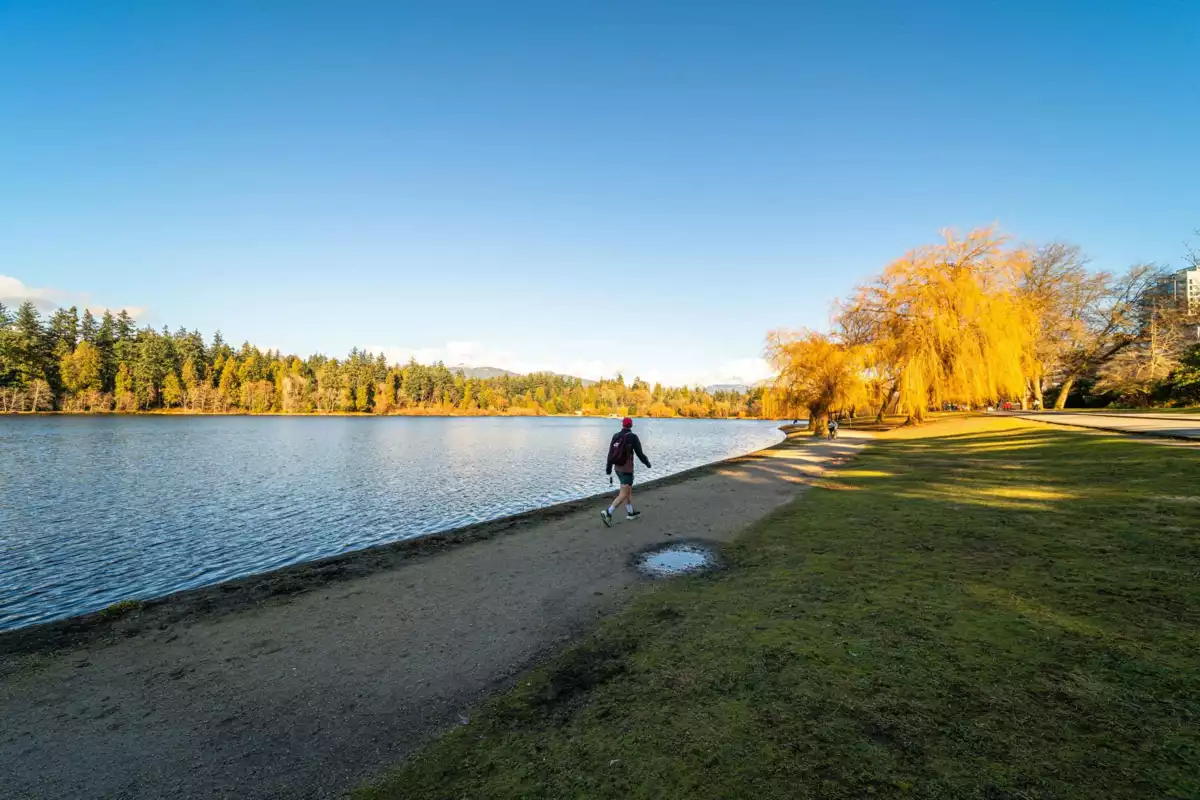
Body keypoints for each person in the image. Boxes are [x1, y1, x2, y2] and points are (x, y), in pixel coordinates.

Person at [601, 417, 651, 526]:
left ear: (622, 425)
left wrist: (608, 469)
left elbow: (610, 454)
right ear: (631, 425)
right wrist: (647, 463)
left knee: (627, 490)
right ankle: (608, 512)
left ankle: (630, 513)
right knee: (623, 493)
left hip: (617, 468)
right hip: (626, 470)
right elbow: (640, 454)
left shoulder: (616, 436)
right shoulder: (632, 437)